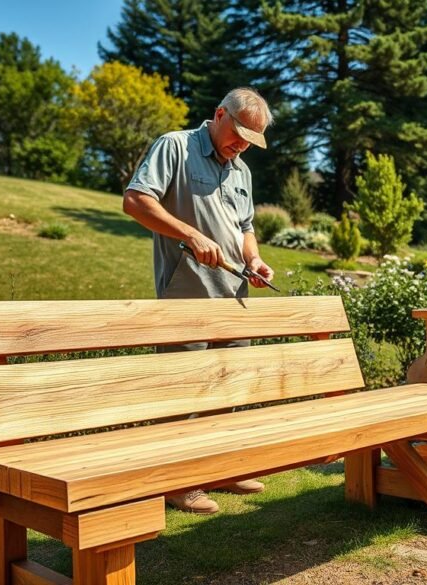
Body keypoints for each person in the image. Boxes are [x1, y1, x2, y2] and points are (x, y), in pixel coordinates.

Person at [122, 87, 276, 514]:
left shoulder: (241, 171)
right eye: (239, 133)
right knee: (183, 395)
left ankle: (223, 469)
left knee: (228, 390)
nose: (242, 144)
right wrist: (189, 233)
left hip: (234, 297)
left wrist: (255, 259)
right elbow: (135, 201)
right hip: (185, 294)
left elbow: (244, 227)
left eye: (251, 140)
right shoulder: (175, 146)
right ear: (219, 114)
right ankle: (177, 484)